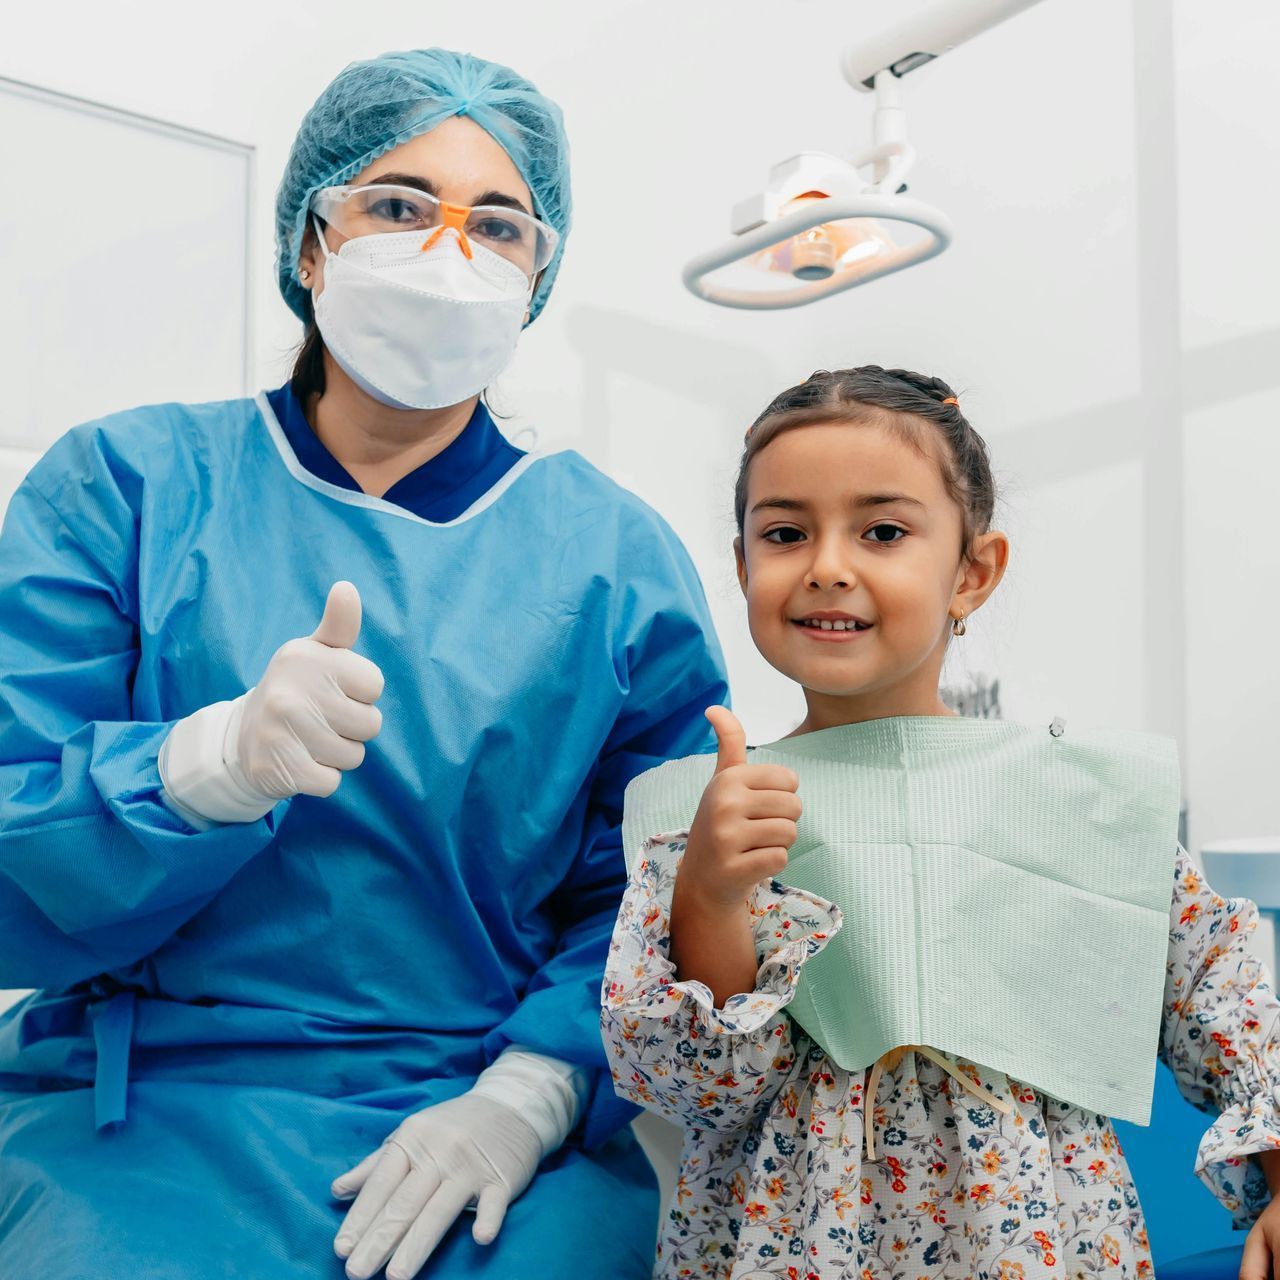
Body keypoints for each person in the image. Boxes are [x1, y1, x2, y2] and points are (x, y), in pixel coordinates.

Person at [0, 48, 727, 1280]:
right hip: (142, 1104)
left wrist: (532, 1092)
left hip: (479, 1106)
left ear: (536, 274)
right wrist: (203, 764)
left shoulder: (614, 563)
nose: (446, 252)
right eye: (396, 205)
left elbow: (653, 891)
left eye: (495, 223)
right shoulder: (121, 488)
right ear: (309, 241)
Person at [601, 365, 1280, 1279]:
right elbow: (699, 1088)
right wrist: (714, 891)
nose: (828, 565)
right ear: (743, 566)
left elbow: (1220, 993)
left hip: (1033, 1244)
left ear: (972, 572)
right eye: (785, 532)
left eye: (883, 531)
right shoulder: (703, 812)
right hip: (786, 1244)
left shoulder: (1074, 796)